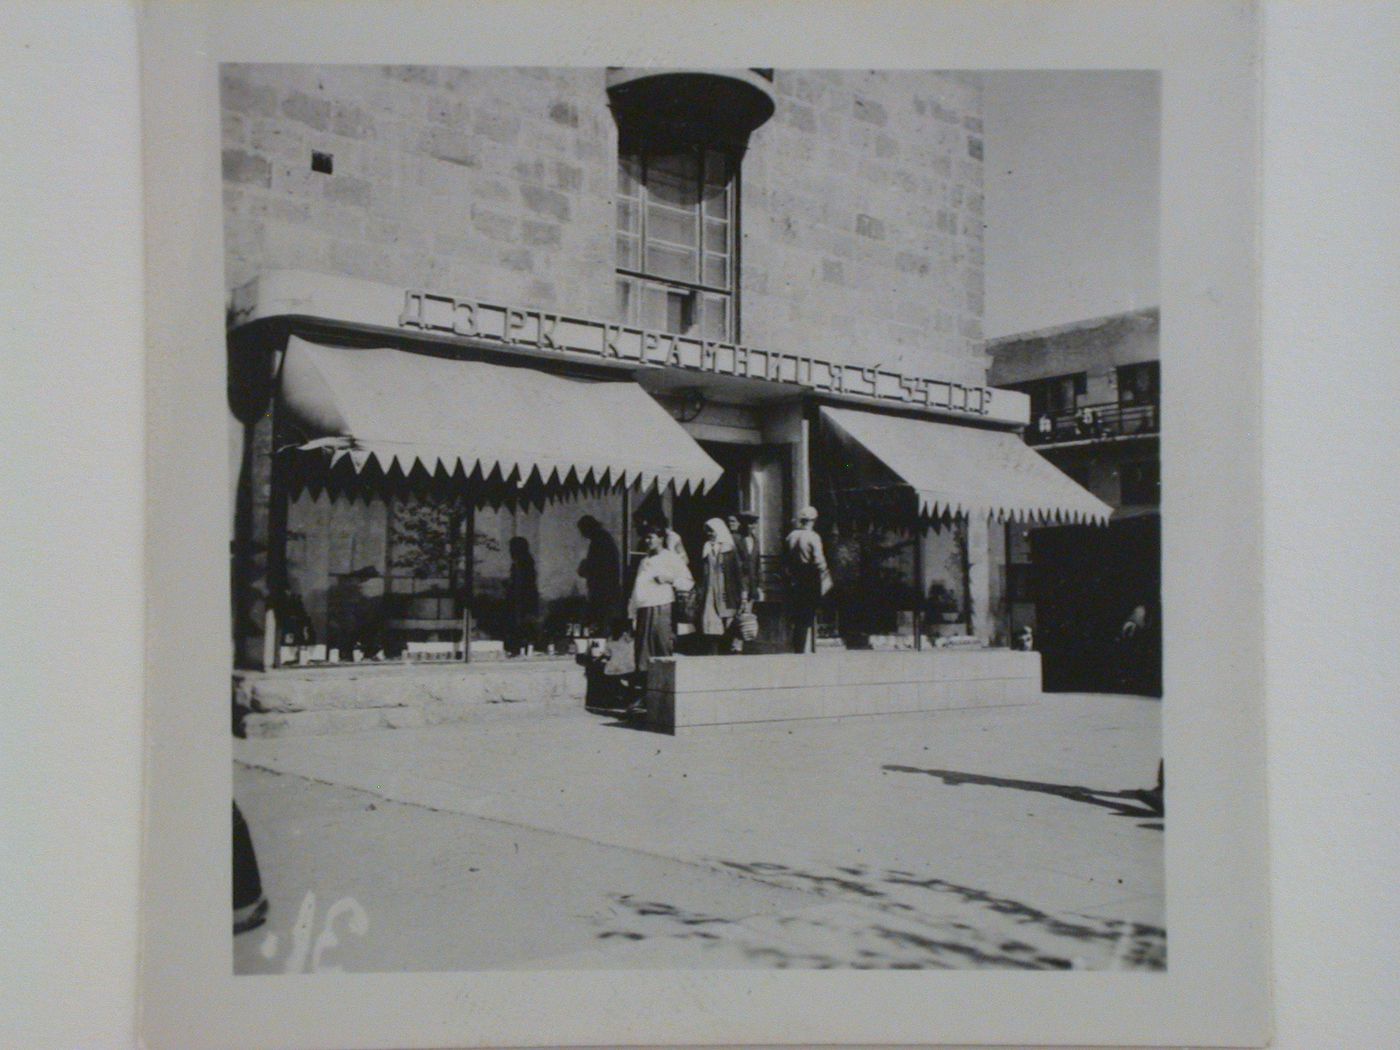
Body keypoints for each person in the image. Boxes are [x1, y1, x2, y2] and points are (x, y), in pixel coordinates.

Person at [628, 522, 694, 699]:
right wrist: (631, 612)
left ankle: (666, 695)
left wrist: (669, 579)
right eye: (646, 537)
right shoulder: (644, 561)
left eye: (651, 537)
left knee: (662, 649)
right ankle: (645, 697)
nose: (647, 540)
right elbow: (637, 589)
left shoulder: (670, 558)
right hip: (644, 609)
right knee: (642, 653)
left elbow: (688, 582)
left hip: (662, 607)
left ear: (661, 538)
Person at [695, 518, 749, 654]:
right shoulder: (706, 548)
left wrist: (743, 594)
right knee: (710, 625)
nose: (709, 534)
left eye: (711, 531)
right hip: (709, 591)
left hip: (726, 591)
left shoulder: (729, 549)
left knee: (728, 623)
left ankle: (726, 653)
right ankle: (712, 653)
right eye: (707, 531)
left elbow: (738, 573)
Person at [784, 505, 830, 654]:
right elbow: (819, 561)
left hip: (795, 577)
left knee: (798, 615)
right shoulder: (813, 537)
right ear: (813, 520)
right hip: (810, 577)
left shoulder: (790, 536)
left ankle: (798, 646)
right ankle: (807, 647)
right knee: (808, 613)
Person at [576, 515, 621, 633]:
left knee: (601, 618)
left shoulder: (600, 540)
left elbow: (599, 565)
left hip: (603, 588)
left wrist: (586, 567)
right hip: (603, 587)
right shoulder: (601, 539)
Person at [503, 536, 539, 656]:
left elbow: (521, 584)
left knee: (521, 622)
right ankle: (522, 648)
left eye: (511, 549)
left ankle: (520, 648)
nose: (510, 552)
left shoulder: (523, 563)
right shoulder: (524, 562)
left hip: (522, 599)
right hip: (522, 599)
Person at [727, 511, 763, 601]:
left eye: (754, 523)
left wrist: (760, 585)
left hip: (753, 582)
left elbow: (757, 564)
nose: (752, 526)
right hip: (738, 582)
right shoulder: (735, 539)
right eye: (749, 523)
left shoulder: (756, 540)